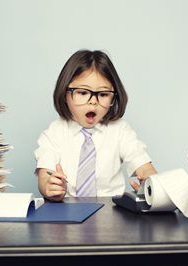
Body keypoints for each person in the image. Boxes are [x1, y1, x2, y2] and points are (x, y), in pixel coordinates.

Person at [34, 49, 157, 201]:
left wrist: (152, 185)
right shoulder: (55, 132)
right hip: (67, 212)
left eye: (103, 94)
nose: (93, 101)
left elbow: (143, 165)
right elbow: (44, 175)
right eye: (83, 93)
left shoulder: (120, 130)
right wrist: (50, 188)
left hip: (110, 212)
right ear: (65, 94)